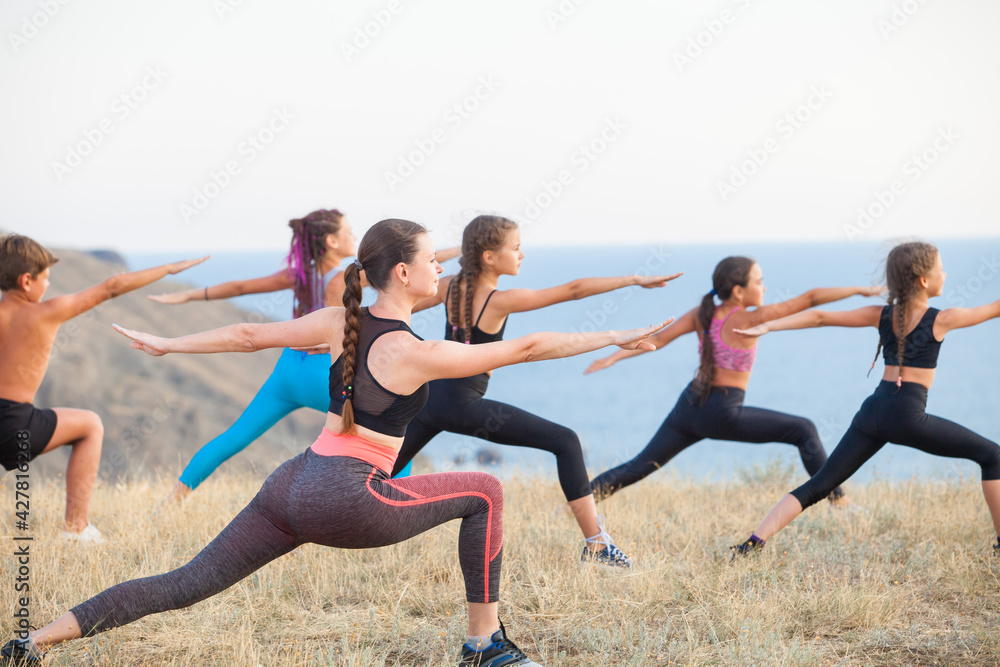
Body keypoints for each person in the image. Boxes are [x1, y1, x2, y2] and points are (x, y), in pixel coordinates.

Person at [0, 219, 666, 666]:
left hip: (291, 483)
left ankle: (36, 639)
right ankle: (484, 643)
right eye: (429, 259)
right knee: (485, 489)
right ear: (401, 275)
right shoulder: (412, 350)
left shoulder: (337, 320)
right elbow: (525, 347)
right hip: (344, 498)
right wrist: (610, 335)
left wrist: (170, 341)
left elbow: (243, 337)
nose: (440, 268)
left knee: (185, 583)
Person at [391, 215, 681, 567]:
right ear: (489, 257)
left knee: (372, 478)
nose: (522, 254)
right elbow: (572, 291)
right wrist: (633, 280)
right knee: (566, 441)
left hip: (428, 400)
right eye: (515, 248)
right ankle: (597, 546)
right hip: (461, 406)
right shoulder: (497, 300)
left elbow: (396, 309)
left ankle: (330, 512)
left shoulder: (450, 285)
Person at [152, 209, 458, 505]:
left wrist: (188, 295)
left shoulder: (297, 274)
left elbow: (241, 287)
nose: (353, 235)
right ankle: (398, 502)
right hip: (320, 371)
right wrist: (456, 252)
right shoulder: (345, 278)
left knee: (235, 437)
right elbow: (397, 266)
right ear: (332, 242)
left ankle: (170, 502)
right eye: (348, 231)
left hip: (287, 368)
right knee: (396, 423)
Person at [732, 241, 1000, 556]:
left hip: (873, 412)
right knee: (993, 456)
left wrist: (767, 327)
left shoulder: (882, 315)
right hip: (906, 416)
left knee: (819, 485)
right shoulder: (942, 319)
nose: (945, 274)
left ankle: (750, 545)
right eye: (941, 269)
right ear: (924, 281)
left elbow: (819, 317)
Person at [587, 256, 882, 505]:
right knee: (804, 430)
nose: (764, 287)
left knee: (639, 465)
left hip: (689, 406)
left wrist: (614, 356)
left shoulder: (702, 314)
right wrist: (858, 289)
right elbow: (811, 298)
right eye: (759, 281)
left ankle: (579, 502)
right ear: (739, 292)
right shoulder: (751, 319)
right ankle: (840, 502)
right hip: (722, 412)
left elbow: (658, 340)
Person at [0, 234, 204, 544]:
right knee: (90, 425)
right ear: (27, 281)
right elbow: (112, 286)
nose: (49, 286)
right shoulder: (45, 313)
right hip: (16, 425)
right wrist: (168, 269)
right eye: (46, 279)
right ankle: (76, 529)